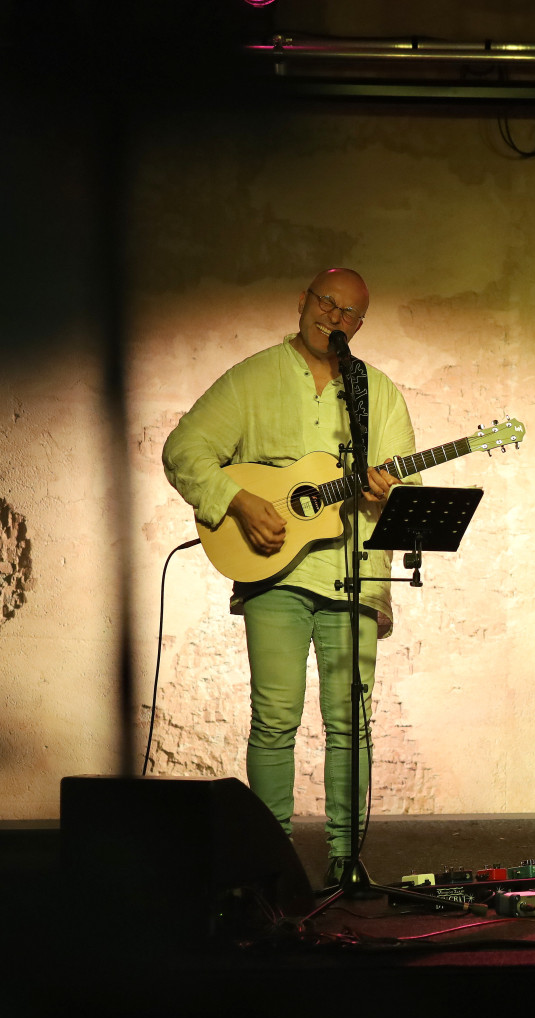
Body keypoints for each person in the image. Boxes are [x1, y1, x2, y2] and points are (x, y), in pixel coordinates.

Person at [163, 268, 417, 884]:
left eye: (349, 313)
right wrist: (239, 501)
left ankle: (346, 860)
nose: (334, 317)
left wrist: (388, 489)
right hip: (272, 573)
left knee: (351, 722)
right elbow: (184, 450)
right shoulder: (253, 378)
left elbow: (404, 486)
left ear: (360, 325)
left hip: (352, 570)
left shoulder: (376, 392)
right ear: (303, 301)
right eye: (326, 303)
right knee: (275, 717)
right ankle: (272, 863)